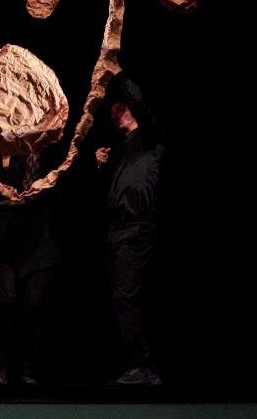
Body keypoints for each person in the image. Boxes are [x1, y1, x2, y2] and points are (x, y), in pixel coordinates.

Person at [95, 72, 164, 387]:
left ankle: (143, 365)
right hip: (118, 228)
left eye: (118, 109)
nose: (114, 115)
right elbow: (115, 192)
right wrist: (102, 166)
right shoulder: (122, 149)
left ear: (130, 109)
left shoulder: (148, 137)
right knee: (121, 296)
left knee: (126, 295)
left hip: (137, 227)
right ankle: (138, 363)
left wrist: (118, 74)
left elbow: (139, 102)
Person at [0, 154, 60, 386]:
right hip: (5, 247)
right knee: (5, 303)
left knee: (33, 306)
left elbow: (27, 199)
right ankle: (4, 366)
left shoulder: (30, 155)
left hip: (35, 244)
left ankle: (30, 368)